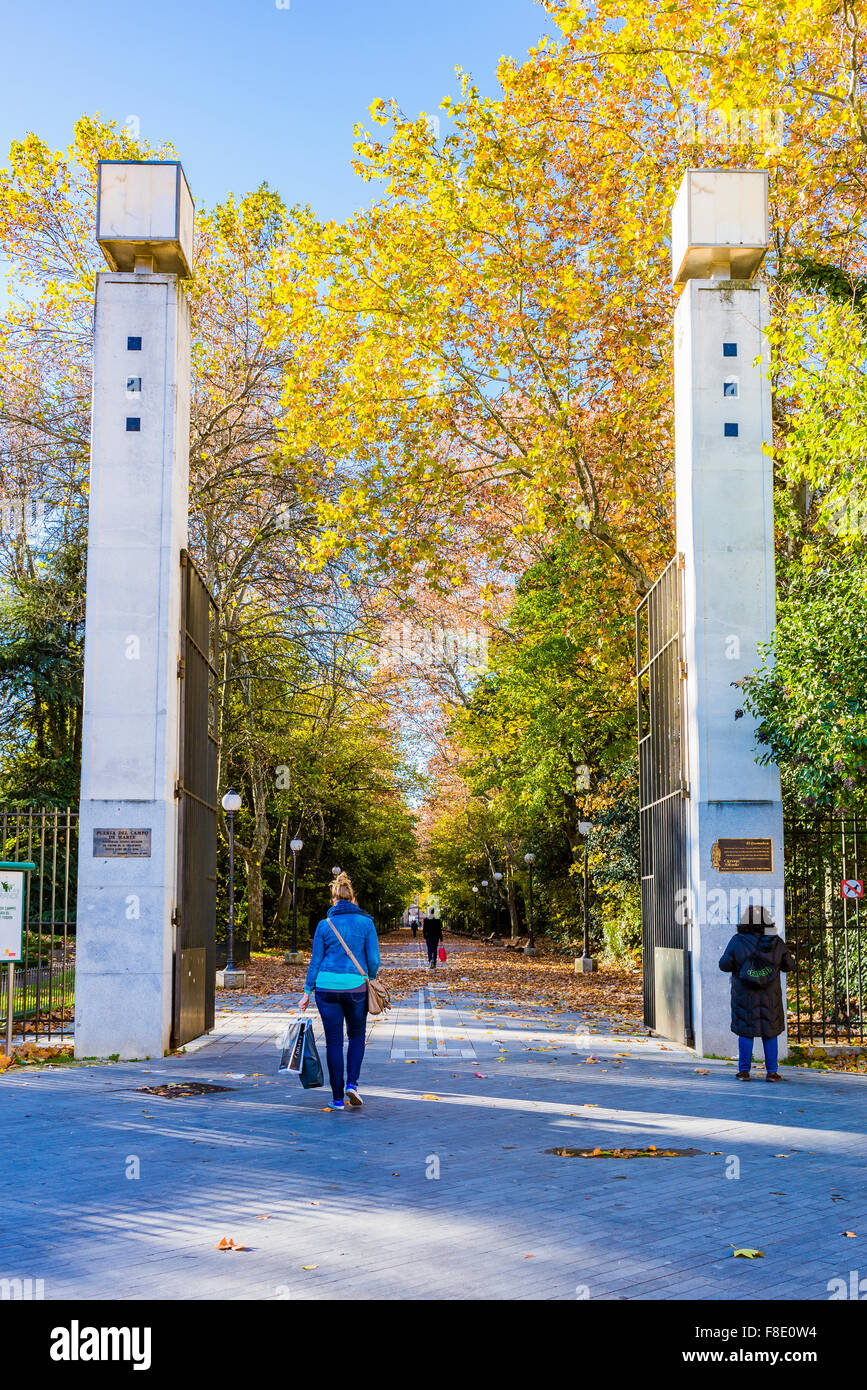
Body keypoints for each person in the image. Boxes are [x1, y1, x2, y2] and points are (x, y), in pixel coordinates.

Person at [298, 871, 380, 1110]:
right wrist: (370, 978)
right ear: (352, 899)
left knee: (333, 1042)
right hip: (355, 988)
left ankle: (336, 1099)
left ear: (334, 900)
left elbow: (315, 961)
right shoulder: (367, 923)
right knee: (356, 1037)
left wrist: (306, 992)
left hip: (326, 988)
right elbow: (374, 960)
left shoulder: (325, 925)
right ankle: (352, 1085)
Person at [718, 905, 795, 1082]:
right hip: (770, 997)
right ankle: (772, 1072)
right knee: (770, 1032)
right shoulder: (776, 941)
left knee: (746, 1032)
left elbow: (724, 965)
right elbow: (789, 966)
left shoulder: (737, 941)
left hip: (744, 996)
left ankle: (744, 1072)